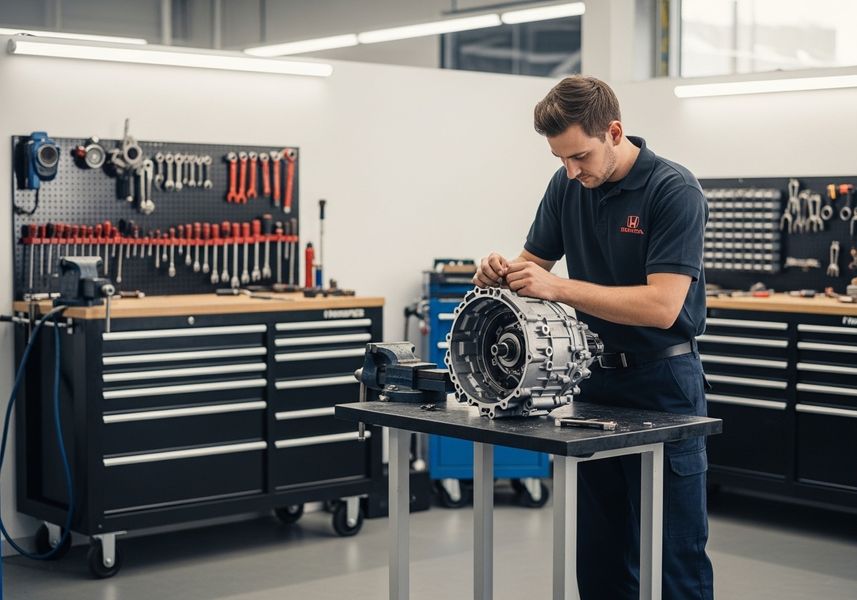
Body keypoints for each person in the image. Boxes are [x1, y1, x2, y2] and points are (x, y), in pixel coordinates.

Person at [474, 75, 713, 600]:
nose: (570, 170)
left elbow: (663, 307)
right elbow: (532, 267)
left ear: (614, 132)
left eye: (579, 156)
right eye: (560, 158)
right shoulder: (566, 186)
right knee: (601, 557)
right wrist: (500, 273)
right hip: (594, 386)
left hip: (664, 385)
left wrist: (559, 287)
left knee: (673, 558)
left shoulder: (673, 190)